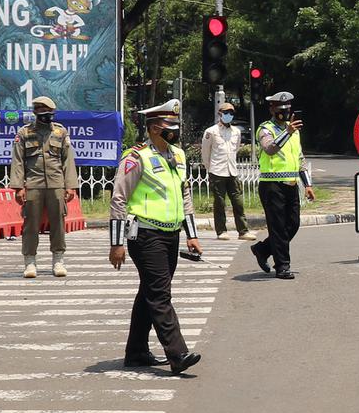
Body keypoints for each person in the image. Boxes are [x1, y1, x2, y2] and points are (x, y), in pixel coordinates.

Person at [108, 99, 203, 374]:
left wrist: (192, 235)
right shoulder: (136, 157)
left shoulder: (178, 155)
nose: (172, 131)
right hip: (145, 235)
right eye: (167, 127)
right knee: (160, 295)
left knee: (149, 293)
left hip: (171, 234)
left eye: (175, 126)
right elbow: (119, 199)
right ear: (152, 129)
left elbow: (185, 195)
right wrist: (116, 243)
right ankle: (178, 354)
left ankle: (136, 351)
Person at [9, 96, 79, 279]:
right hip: (33, 184)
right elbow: (17, 161)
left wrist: (70, 185)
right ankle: (30, 261)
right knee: (30, 223)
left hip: (56, 184)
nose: (44, 115)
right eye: (40, 111)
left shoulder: (60, 132)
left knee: (58, 222)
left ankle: (58, 259)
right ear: (35, 113)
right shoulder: (24, 133)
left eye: (47, 112)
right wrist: (18, 187)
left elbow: (68, 160)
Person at [251, 91, 315, 279]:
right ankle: (282, 266)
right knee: (278, 226)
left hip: (291, 184)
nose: (285, 113)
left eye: (287, 109)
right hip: (272, 185)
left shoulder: (293, 130)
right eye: (280, 109)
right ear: (272, 109)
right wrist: (287, 133)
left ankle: (262, 249)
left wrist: (308, 185)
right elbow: (270, 149)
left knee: (293, 224)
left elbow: (300, 158)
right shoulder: (265, 129)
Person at [201, 102, 255, 241]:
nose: (229, 116)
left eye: (231, 113)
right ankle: (221, 231)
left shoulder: (236, 132)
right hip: (217, 171)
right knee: (219, 203)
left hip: (232, 171)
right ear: (220, 114)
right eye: (226, 113)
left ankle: (243, 231)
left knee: (238, 202)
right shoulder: (211, 132)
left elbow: (235, 149)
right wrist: (209, 168)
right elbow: (205, 152)